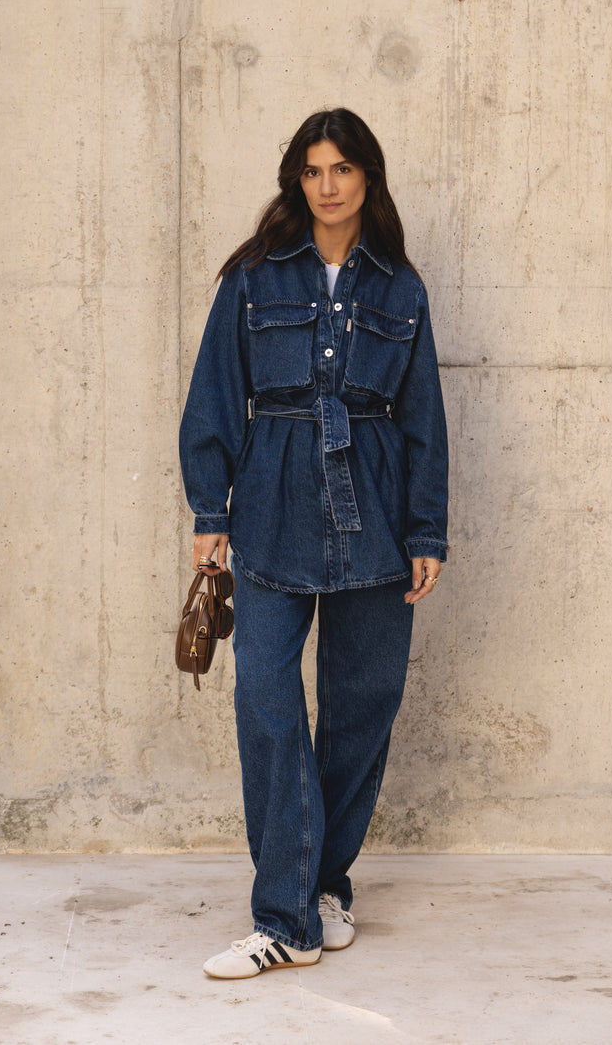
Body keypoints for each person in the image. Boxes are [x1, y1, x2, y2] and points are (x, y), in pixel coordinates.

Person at [179, 107, 449, 979]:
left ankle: (325, 883)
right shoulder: (256, 277)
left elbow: (423, 423)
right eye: (312, 171)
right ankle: (285, 919)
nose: (327, 186)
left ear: (369, 176)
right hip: (269, 509)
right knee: (265, 701)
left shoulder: (400, 289)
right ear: (296, 180)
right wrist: (208, 513)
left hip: (375, 513)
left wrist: (426, 530)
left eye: (341, 169)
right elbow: (216, 393)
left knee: (361, 709)